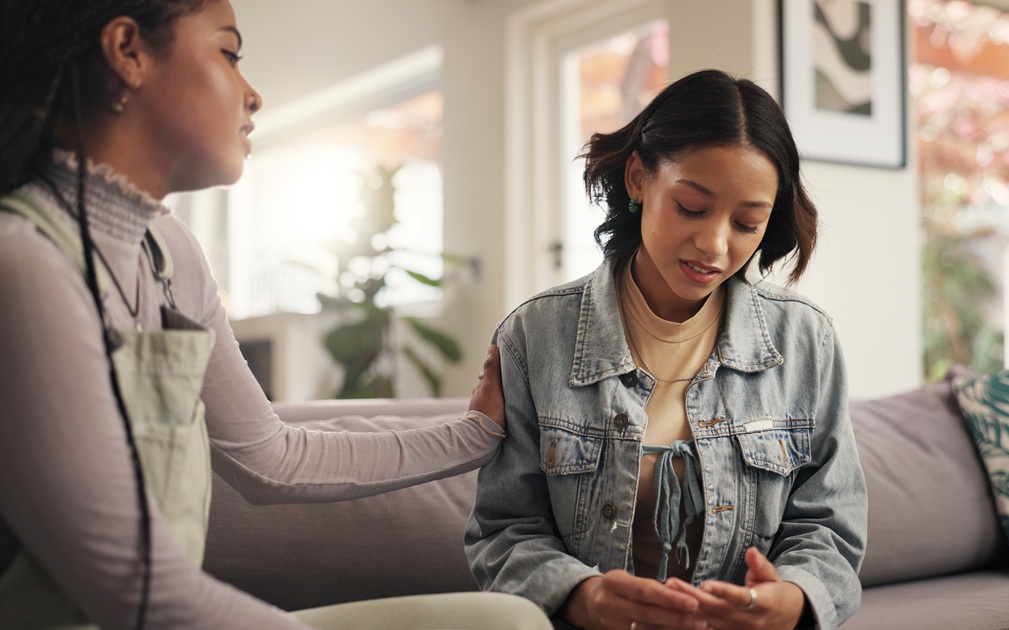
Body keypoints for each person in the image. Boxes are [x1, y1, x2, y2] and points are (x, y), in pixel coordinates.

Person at [0, 1, 551, 629]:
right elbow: (135, 588)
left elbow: (274, 458)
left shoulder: (170, 249)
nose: (252, 94)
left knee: (508, 620)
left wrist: (477, 432)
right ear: (127, 52)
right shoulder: (24, 261)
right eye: (228, 54)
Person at [465, 69, 868, 630]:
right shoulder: (536, 336)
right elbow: (505, 533)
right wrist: (583, 596)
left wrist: (795, 599)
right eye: (692, 208)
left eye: (748, 224)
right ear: (638, 179)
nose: (716, 246)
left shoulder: (805, 340)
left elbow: (828, 526)